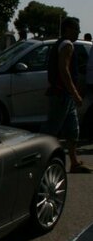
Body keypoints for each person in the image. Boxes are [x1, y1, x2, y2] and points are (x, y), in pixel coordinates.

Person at [42, 17, 90, 173]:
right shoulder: (67, 45)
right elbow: (64, 71)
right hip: (61, 95)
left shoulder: (62, 43)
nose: (78, 33)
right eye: (76, 30)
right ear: (68, 29)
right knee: (51, 130)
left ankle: (75, 162)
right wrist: (75, 93)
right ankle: (40, 161)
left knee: (73, 130)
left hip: (65, 96)